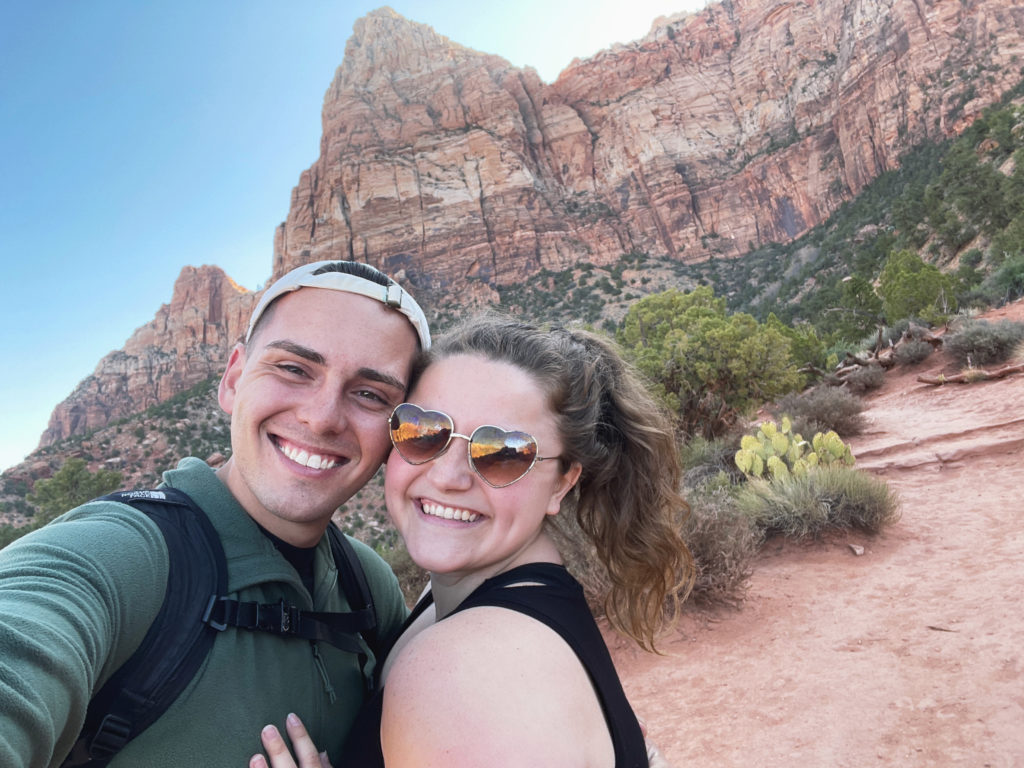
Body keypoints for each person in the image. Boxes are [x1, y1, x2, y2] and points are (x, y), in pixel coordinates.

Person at [0, 260, 432, 767]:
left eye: (370, 394)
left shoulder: (369, 587)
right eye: (293, 369)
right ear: (232, 380)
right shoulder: (122, 555)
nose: (322, 417)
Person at [252, 312, 695, 768]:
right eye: (423, 431)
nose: (447, 477)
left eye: (502, 453)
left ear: (562, 483)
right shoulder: (449, 601)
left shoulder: (461, 672)